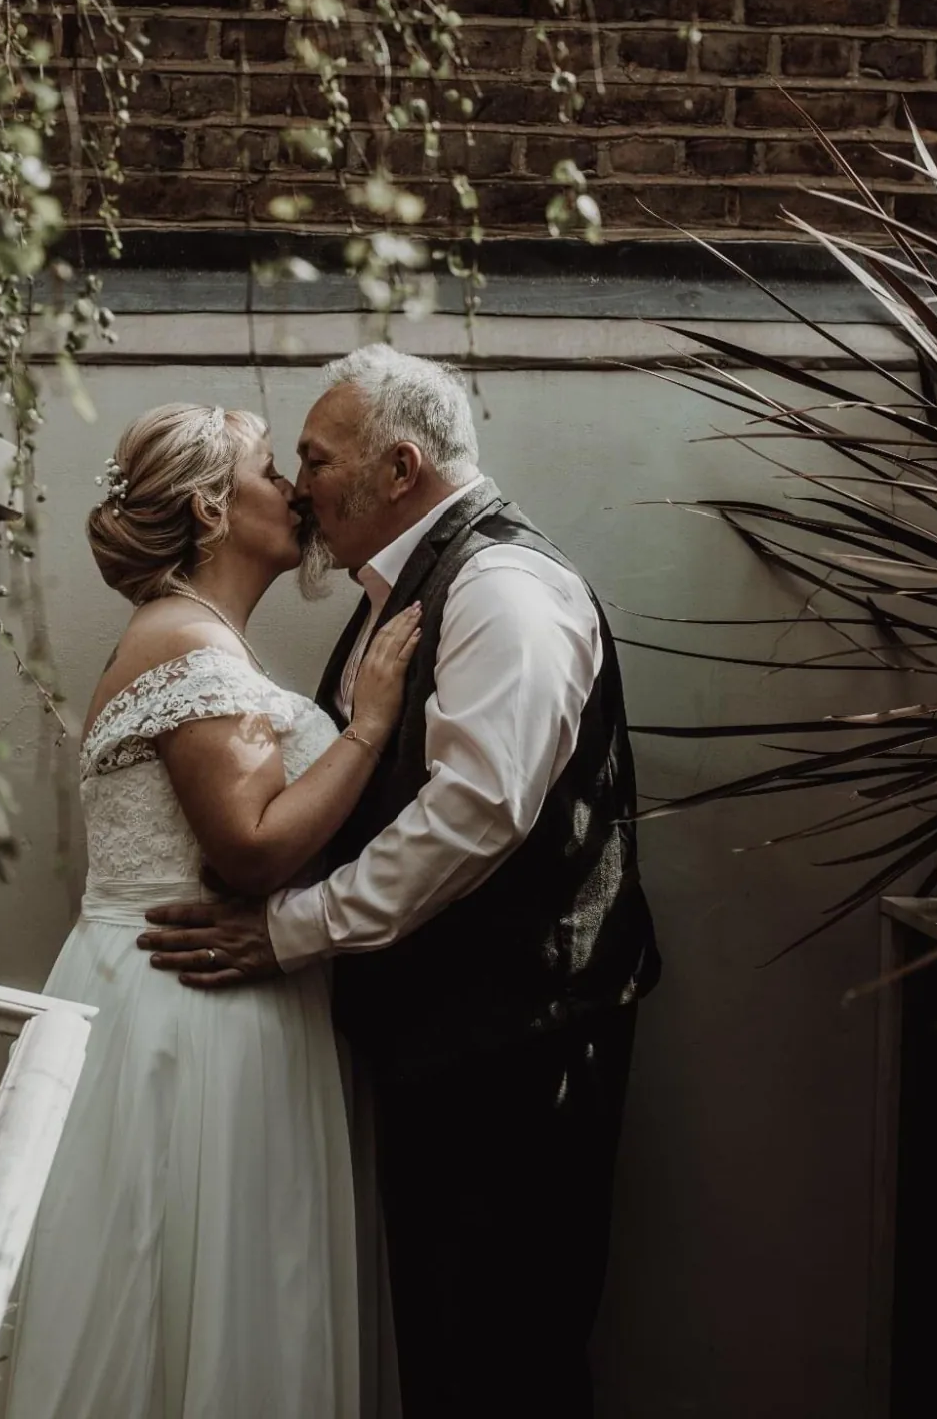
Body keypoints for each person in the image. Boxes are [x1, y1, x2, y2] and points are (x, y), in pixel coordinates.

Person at [138, 346, 660, 1419]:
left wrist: (291, 931)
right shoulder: (405, 590)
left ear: (401, 468)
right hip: (444, 1041)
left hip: (520, 1044)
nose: (299, 481)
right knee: (444, 1345)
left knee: (507, 1354)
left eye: (319, 459)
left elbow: (476, 812)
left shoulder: (503, 591)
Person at [2, 400, 421, 1419]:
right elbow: (247, 848)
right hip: (191, 1017)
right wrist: (367, 728)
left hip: (188, 993)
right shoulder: (190, 644)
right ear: (208, 506)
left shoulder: (196, 636)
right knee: (179, 1290)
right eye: (269, 468)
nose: (292, 489)